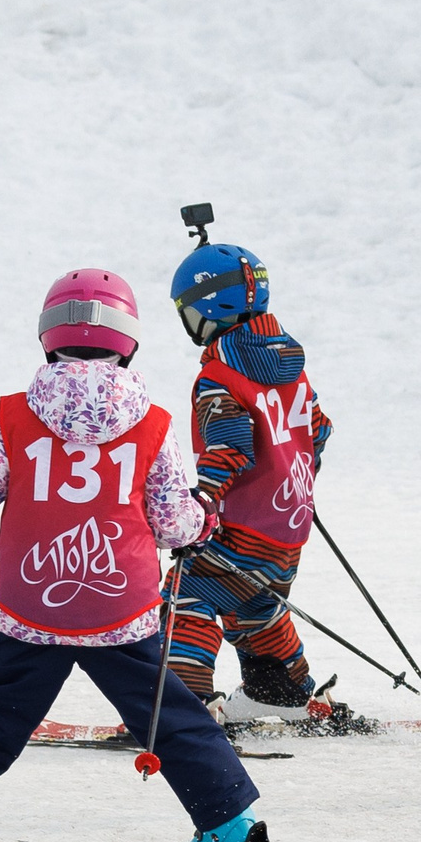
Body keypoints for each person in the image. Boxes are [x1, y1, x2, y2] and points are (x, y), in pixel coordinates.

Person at [0, 269, 294, 842]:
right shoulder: (151, 423)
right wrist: (204, 512)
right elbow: (177, 525)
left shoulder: (14, 415)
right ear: (129, 342)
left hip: (30, 607)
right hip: (119, 611)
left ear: (48, 337)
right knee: (172, 719)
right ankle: (235, 836)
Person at [164, 230, 344, 725]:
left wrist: (196, 505)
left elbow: (229, 448)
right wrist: (295, 475)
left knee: (190, 594)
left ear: (208, 307)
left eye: (187, 309)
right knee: (256, 601)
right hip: (288, 525)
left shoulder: (219, 376)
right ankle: (279, 690)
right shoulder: (288, 365)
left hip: (240, 526)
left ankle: (181, 709)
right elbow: (319, 429)